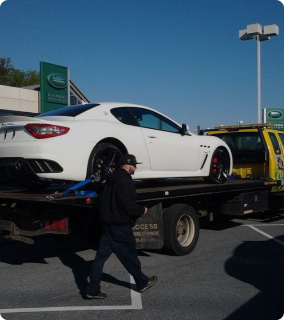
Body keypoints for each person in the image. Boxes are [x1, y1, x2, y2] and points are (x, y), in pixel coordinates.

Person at [85, 154, 157, 299]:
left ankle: (92, 290)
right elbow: (128, 207)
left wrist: (96, 182)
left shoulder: (110, 180)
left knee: (99, 259)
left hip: (107, 226)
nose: (136, 167)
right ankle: (142, 282)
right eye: (134, 165)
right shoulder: (126, 182)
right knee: (130, 257)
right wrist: (141, 209)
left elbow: (102, 193)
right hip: (120, 227)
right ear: (126, 165)